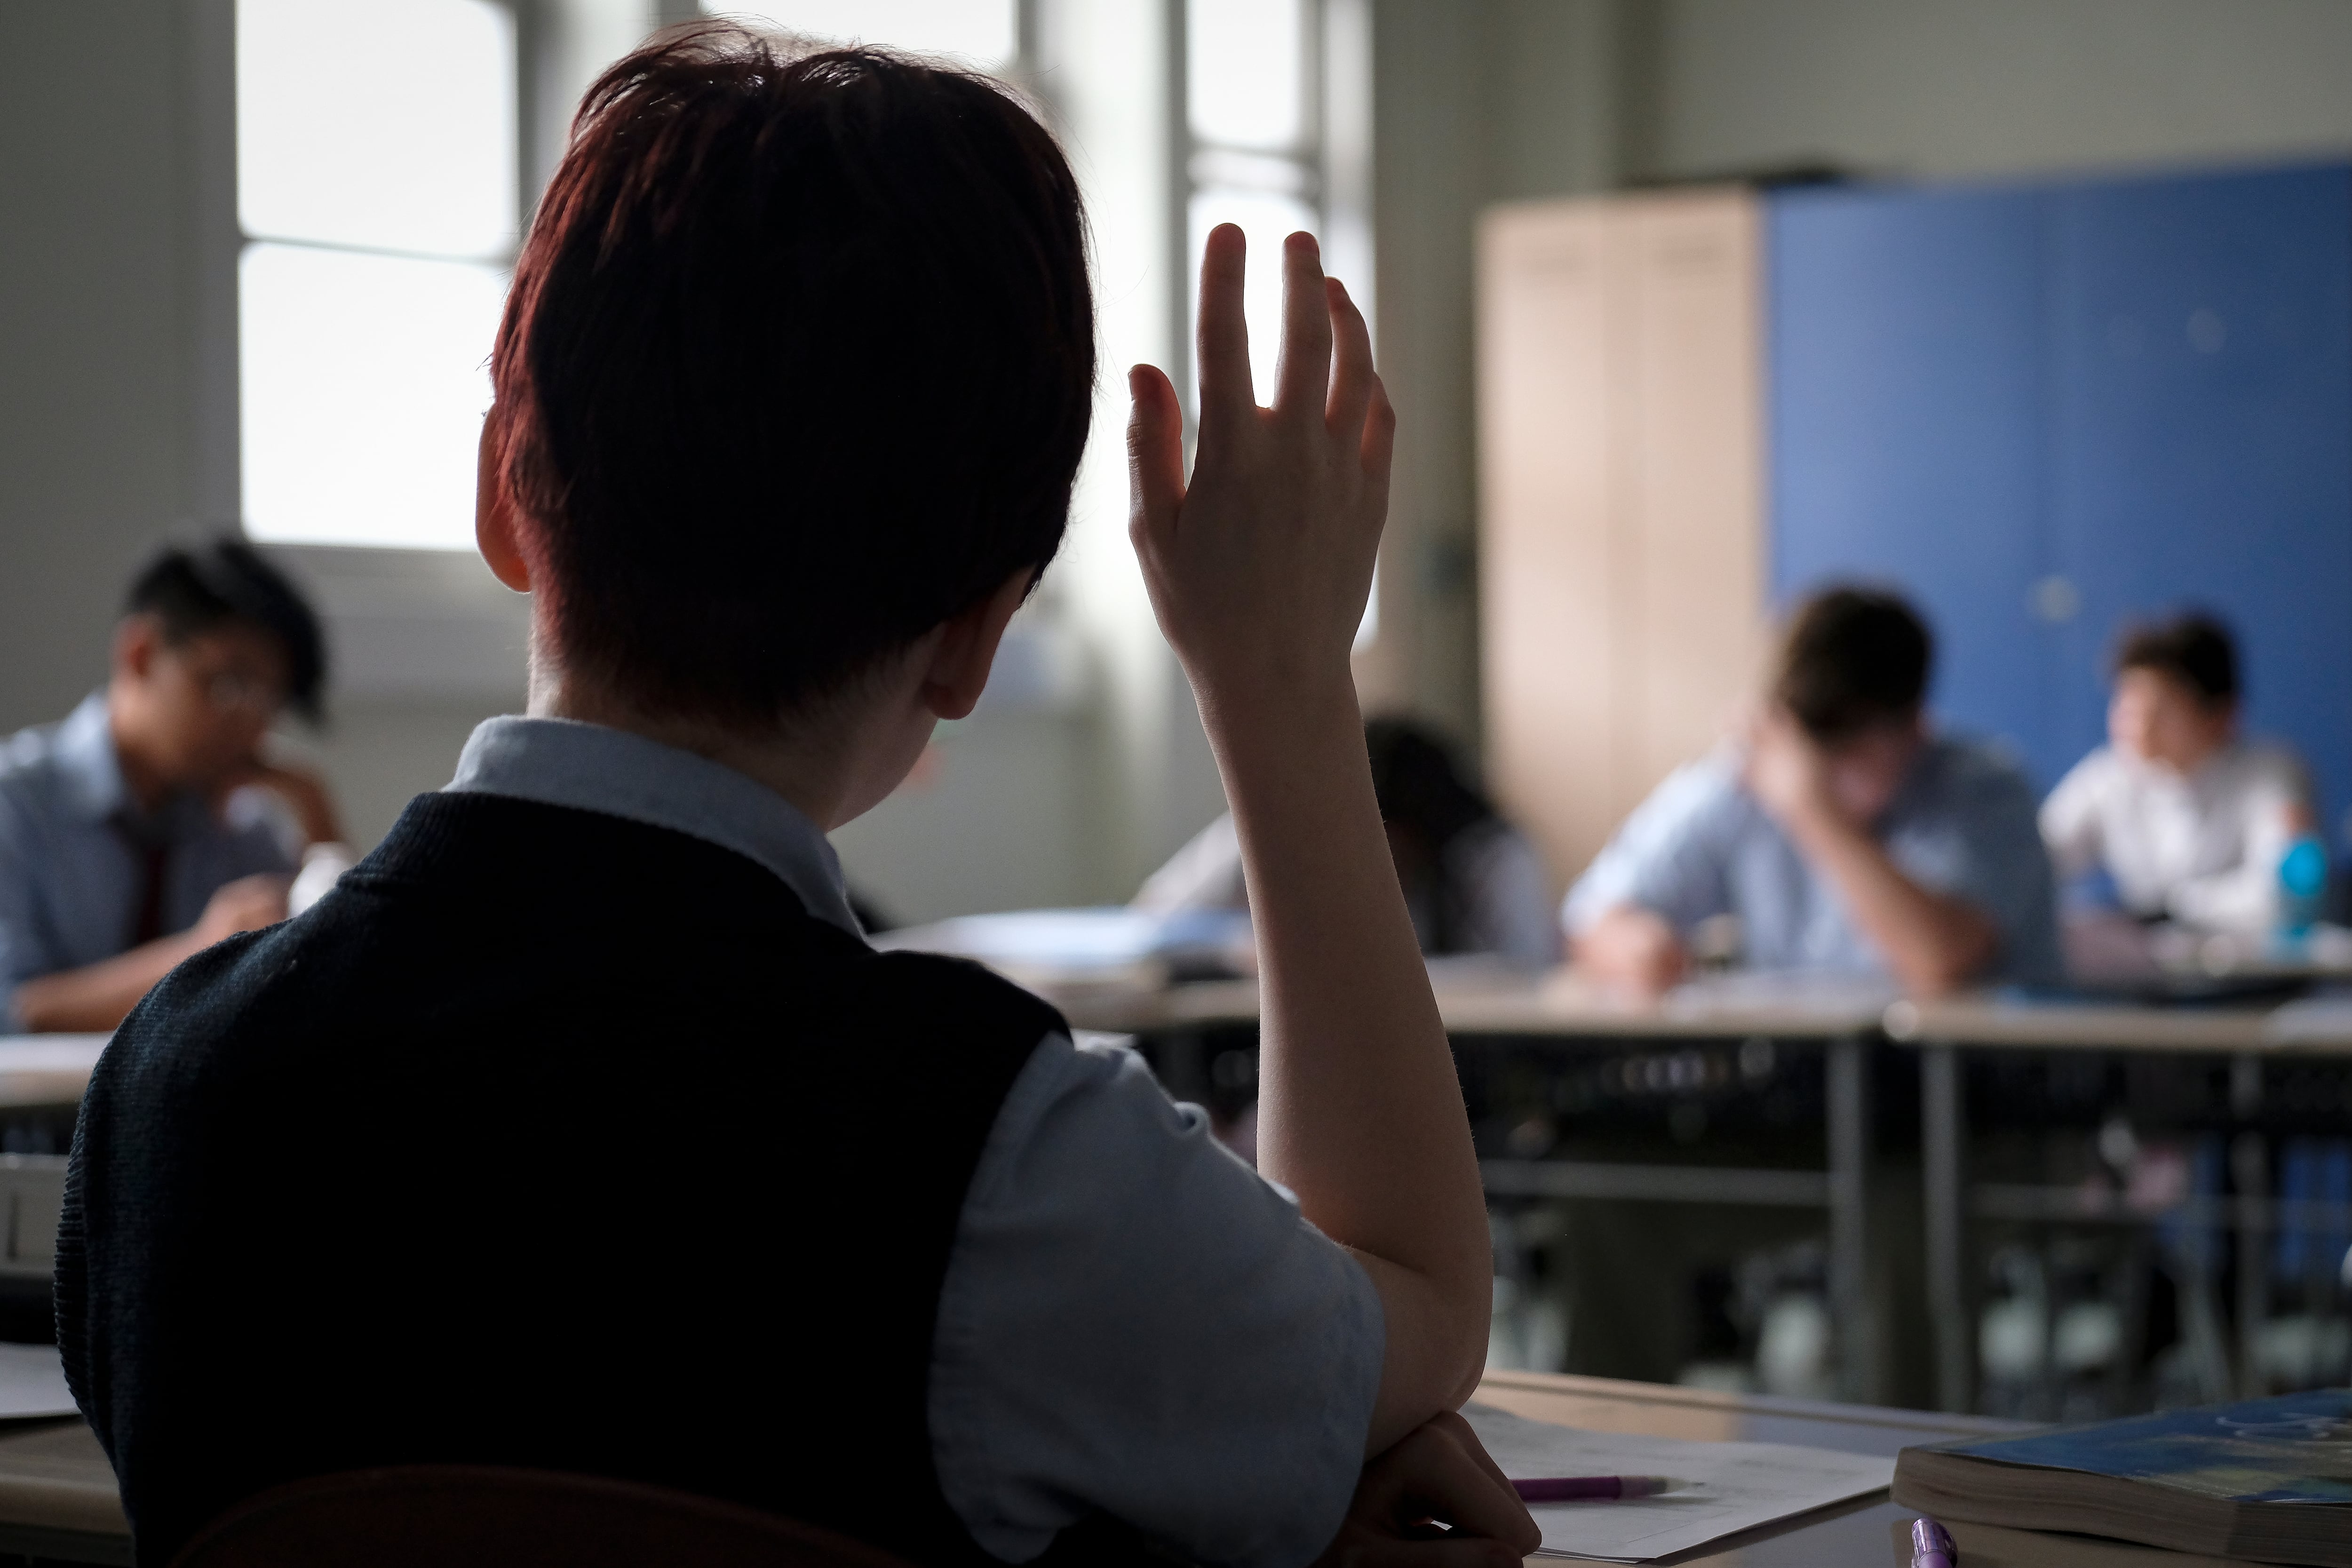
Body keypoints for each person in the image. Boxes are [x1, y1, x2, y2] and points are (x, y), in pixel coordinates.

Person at [57, 26, 1536, 1568]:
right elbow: (1409, 1297)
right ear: (976, 633)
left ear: (507, 488)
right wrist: (1281, 680)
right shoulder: (1011, 1163)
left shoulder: (165, 1091)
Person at [1565, 585, 2060, 997]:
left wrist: (1811, 809)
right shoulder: (1750, 775)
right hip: (1801, 1091)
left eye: (1850, 753)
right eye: (1809, 752)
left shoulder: (1988, 792)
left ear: (1915, 726)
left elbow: (1940, 961)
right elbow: (1592, 913)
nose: (1821, 772)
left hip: (1982, 1093)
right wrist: (1635, 946)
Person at [0, 540, 342, 1034]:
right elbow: (12, 1007)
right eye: (231, 687)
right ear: (140, 654)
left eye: (269, 702)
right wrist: (201, 956)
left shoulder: (242, 827)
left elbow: (333, 978)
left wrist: (314, 805)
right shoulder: (16, 804)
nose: (252, 729)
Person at [1134, 716, 1559, 968]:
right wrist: (1245, 946)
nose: (1381, 861)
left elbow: (1525, 967)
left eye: (1395, 844)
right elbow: (1158, 916)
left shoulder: (1492, 855)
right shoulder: (1288, 825)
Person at [2040, 612, 2312, 934]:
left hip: (2259, 973)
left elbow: (2292, 890)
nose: (2138, 725)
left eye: (2161, 708)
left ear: (2221, 715)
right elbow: (2032, 862)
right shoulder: (2106, 778)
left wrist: (2172, 908)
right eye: (2127, 704)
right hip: (2147, 974)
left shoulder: (2272, 772)